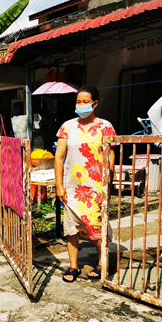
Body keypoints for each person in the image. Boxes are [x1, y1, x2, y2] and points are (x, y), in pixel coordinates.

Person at [54, 85, 116, 283]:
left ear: (95, 103)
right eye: (78, 102)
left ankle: (102, 262)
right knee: (71, 228)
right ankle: (74, 266)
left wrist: (109, 183)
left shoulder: (105, 126)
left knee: (95, 227)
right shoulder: (67, 126)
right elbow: (59, 157)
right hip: (71, 186)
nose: (80, 105)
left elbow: (111, 156)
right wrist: (59, 185)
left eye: (85, 102)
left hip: (95, 186)